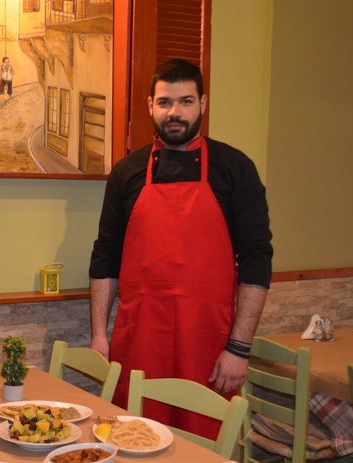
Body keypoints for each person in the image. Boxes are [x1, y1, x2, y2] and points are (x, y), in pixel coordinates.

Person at [88, 59, 273, 440]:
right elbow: (105, 257)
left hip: (208, 344)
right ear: (150, 106)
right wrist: (99, 336)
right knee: (134, 441)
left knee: (205, 449)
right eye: (165, 102)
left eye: (186, 101)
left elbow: (257, 261)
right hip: (140, 342)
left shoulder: (235, 169)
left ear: (203, 103)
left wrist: (239, 349)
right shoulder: (126, 172)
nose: (175, 112)